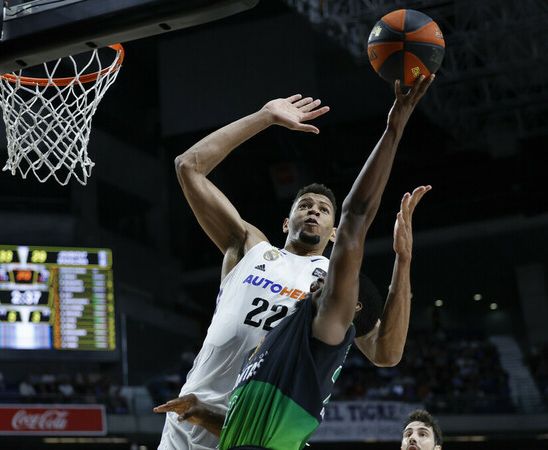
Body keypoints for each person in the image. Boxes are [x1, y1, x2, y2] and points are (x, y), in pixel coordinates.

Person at [156, 76, 434, 449]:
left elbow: (387, 352)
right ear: (287, 222)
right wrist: (264, 116)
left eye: (323, 210)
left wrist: (404, 261)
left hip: (262, 426)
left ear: (334, 232)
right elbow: (188, 166)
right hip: (192, 417)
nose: (313, 212)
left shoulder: (333, 286)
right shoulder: (249, 247)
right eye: (304, 206)